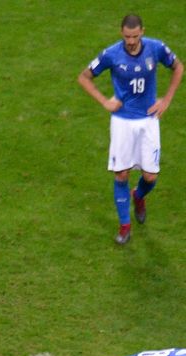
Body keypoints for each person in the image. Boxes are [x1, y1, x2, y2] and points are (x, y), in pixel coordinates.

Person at [78, 14, 182, 245]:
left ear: (142, 31)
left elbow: (178, 67)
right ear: (121, 33)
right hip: (122, 121)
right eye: (127, 36)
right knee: (121, 174)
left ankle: (139, 196)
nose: (131, 41)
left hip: (148, 120)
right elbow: (84, 77)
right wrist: (104, 102)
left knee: (150, 176)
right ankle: (125, 225)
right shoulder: (111, 54)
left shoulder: (156, 49)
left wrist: (166, 100)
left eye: (135, 36)